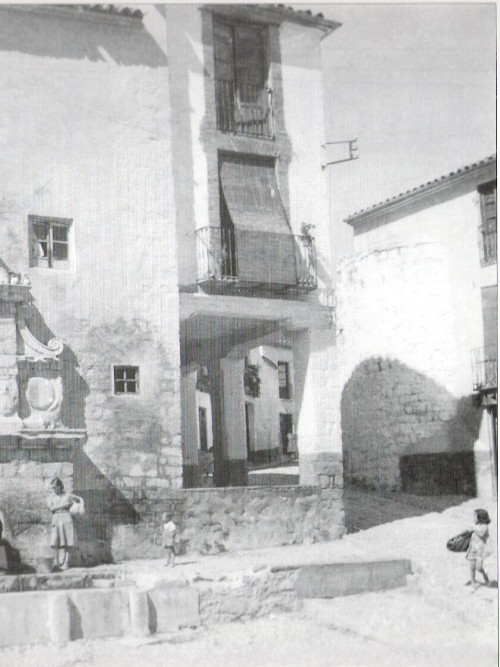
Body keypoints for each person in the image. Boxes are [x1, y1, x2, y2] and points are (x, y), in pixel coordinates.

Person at [47, 477, 82, 571]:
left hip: (67, 518)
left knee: (68, 541)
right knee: (55, 542)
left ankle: (66, 562)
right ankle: (56, 563)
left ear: (60, 486)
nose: (54, 490)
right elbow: (51, 508)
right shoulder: (51, 497)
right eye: (53, 488)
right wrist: (64, 505)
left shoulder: (67, 495)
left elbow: (78, 500)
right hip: (56, 519)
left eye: (55, 487)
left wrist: (74, 505)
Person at [466, 508, 492, 587]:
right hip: (473, 548)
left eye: (475, 516)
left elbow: (481, 534)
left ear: (480, 517)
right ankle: (473, 581)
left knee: (479, 567)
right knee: (472, 566)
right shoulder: (476, 525)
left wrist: (473, 529)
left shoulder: (484, 526)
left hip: (481, 550)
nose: (473, 518)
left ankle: (486, 577)